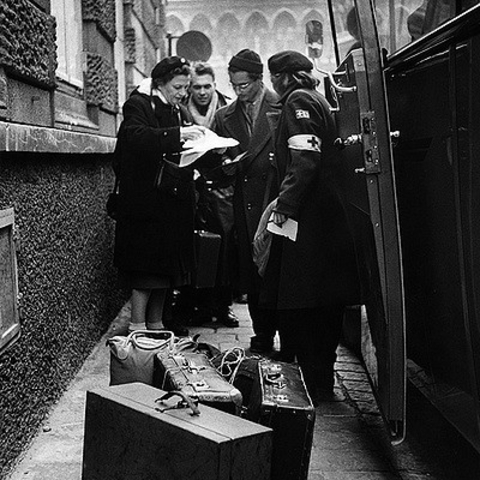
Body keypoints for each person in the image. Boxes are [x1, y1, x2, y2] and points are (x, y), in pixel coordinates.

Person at [264, 50, 360, 402]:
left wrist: (285, 206)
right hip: (327, 216)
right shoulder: (316, 97)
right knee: (324, 299)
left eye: (274, 77)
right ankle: (322, 376)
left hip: (308, 217)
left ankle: (309, 380)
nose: (273, 84)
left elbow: (304, 159)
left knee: (302, 298)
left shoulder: (298, 101)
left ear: (284, 78)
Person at [113, 56, 205, 335]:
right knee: (145, 273)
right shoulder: (138, 104)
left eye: (185, 87)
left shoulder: (176, 108)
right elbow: (136, 137)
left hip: (170, 204)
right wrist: (179, 135)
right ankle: (138, 330)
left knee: (165, 274)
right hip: (146, 206)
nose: (182, 93)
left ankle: (157, 327)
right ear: (159, 84)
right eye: (177, 87)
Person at [214, 49, 281, 353]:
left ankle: (289, 340)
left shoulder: (281, 105)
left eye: (244, 86)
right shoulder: (224, 116)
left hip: (275, 201)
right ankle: (262, 335)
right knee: (254, 274)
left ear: (259, 79)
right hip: (246, 206)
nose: (239, 92)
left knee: (279, 271)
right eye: (234, 86)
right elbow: (212, 164)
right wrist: (223, 165)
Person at [175, 62, 239, 327]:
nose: (201, 92)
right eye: (197, 87)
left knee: (223, 248)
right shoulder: (180, 110)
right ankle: (194, 304)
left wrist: (226, 155)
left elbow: (237, 145)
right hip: (193, 187)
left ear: (215, 85)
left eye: (207, 86)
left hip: (222, 189)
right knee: (195, 248)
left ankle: (222, 306)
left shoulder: (226, 109)